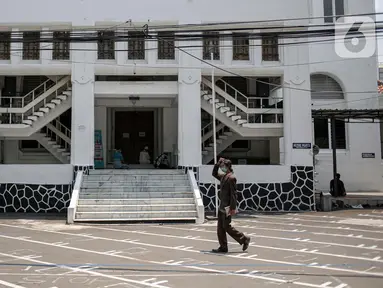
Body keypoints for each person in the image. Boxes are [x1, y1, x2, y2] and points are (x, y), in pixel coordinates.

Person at [211, 157, 251, 253]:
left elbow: (234, 194)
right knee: (220, 228)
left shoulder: (231, 178)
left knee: (227, 227)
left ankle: (244, 238)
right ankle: (223, 247)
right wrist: (217, 164)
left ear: (228, 166)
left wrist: (233, 208)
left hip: (227, 207)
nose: (222, 167)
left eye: (223, 165)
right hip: (222, 206)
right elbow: (214, 173)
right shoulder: (223, 176)